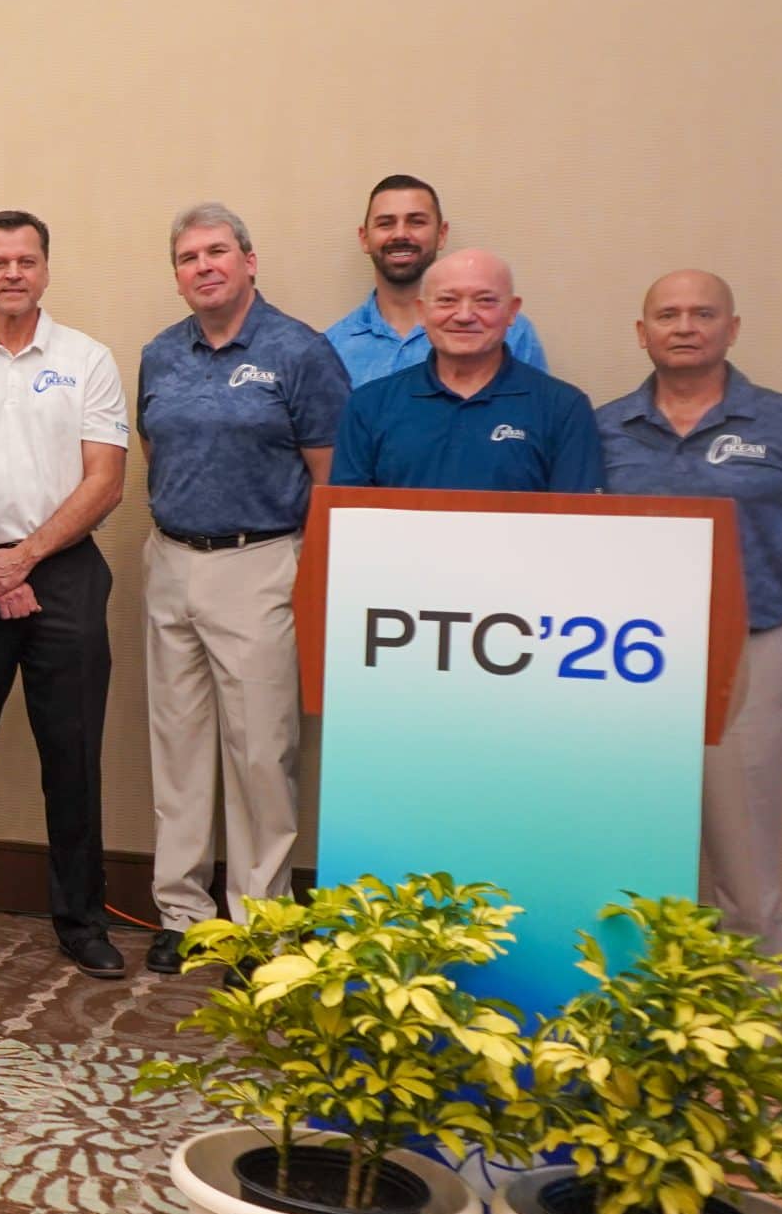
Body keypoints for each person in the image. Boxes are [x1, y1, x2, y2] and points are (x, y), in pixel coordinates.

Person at [134, 205, 349, 974]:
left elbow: (329, 477)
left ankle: (261, 925)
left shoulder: (300, 351)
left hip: (260, 563)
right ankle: (184, 913)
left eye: (217, 251)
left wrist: (312, 578)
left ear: (250, 260)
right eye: (188, 256)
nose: (204, 266)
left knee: (261, 752)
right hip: (170, 561)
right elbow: (156, 449)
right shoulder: (161, 354)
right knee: (179, 747)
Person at [597, 270, 782, 953]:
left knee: (745, 860)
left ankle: (757, 1037)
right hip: (625, 660)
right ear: (643, 333)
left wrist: (767, 611)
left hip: (745, 654)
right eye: (668, 314)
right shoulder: (604, 427)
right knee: (628, 848)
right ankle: (637, 1025)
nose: (685, 326)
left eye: (703, 313)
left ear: (733, 327)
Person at [0, 210, 130, 978]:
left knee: (73, 755)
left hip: (66, 572)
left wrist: (28, 556)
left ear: (46, 269)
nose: (12, 272)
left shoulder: (89, 359)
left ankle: (82, 921)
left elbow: (106, 480)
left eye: (26, 260)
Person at [331, 249, 602, 493]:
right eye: (447, 301)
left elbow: (577, 528)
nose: (464, 315)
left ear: (512, 311)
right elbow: (346, 522)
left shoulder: (563, 409)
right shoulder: (369, 406)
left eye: (484, 301)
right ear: (422, 312)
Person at [326, 174, 548, 386]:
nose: (400, 234)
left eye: (416, 222)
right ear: (365, 239)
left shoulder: (509, 332)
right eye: (386, 223)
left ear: (441, 234)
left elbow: (539, 415)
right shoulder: (333, 347)